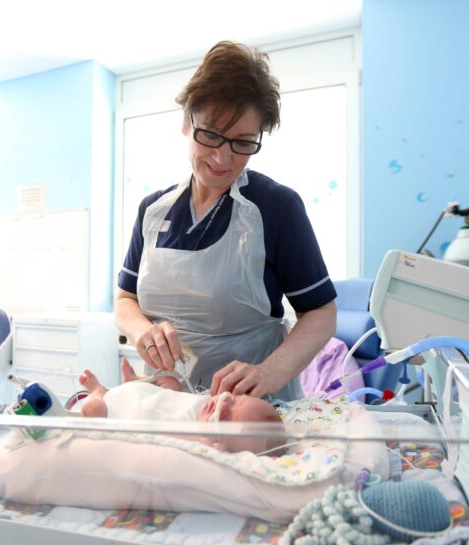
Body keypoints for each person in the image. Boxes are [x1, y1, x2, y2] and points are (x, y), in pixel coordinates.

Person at [116, 40, 337, 401]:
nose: (223, 157)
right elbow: (125, 298)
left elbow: (321, 312)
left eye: (243, 142)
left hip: (251, 407)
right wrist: (141, 329)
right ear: (187, 123)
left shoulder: (275, 207)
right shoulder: (153, 210)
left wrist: (271, 372)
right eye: (211, 136)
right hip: (165, 399)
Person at [78, 359, 284, 454]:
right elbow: (184, 397)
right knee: (172, 382)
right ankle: (134, 381)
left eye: (223, 418)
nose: (223, 402)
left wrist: (212, 450)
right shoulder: (209, 404)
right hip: (149, 393)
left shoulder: (198, 441)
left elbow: (207, 459)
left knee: (92, 410)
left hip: (113, 410)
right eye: (236, 399)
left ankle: (98, 391)